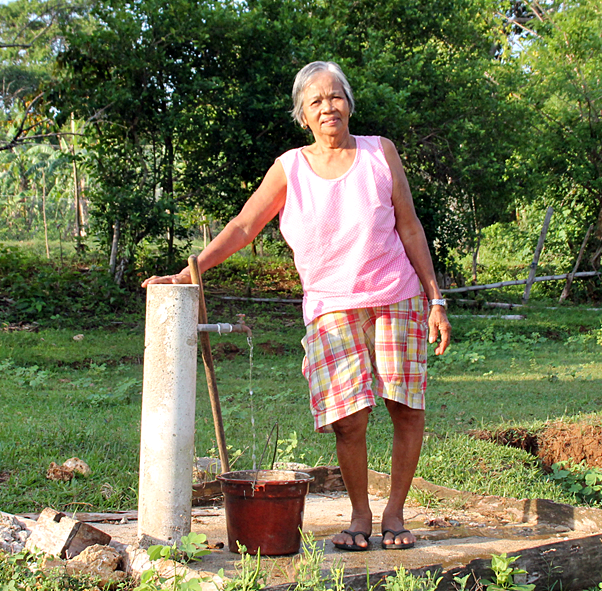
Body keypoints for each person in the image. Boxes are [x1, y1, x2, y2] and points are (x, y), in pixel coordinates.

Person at [142, 60, 451, 551]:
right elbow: (245, 226)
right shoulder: (290, 168)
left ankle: (395, 513)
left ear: (349, 103)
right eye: (316, 101)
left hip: (397, 296)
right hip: (332, 307)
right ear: (302, 115)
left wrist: (436, 298)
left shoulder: (380, 153)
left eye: (336, 96)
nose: (328, 106)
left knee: (406, 408)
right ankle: (360, 514)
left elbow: (410, 227)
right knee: (348, 418)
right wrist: (190, 272)